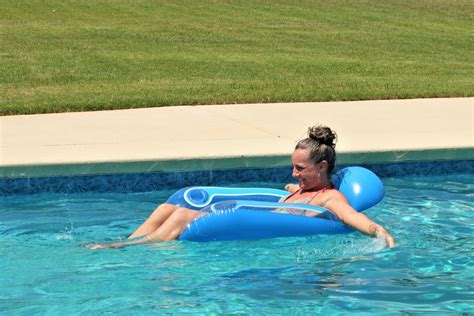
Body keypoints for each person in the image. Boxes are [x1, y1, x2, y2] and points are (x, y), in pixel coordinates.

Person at [87, 125, 395, 249]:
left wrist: (379, 232)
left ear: (323, 167)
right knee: (170, 206)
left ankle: (126, 250)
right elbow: (289, 193)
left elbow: (353, 217)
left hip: (249, 222)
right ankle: (128, 240)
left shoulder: (330, 197)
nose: (294, 173)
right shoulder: (301, 190)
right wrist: (294, 186)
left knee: (182, 215)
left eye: (300, 168)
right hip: (256, 214)